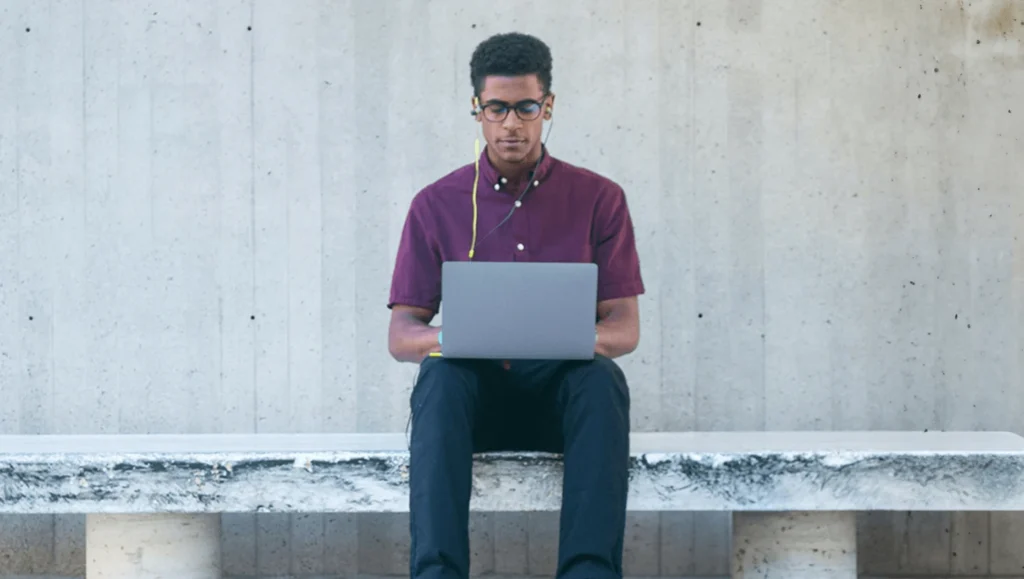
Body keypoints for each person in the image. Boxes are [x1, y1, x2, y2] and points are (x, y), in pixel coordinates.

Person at [386, 31, 645, 579]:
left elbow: (624, 329)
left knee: (601, 380)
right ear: (476, 110)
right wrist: (465, 337)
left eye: (526, 108)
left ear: (547, 107)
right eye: (497, 108)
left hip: (563, 407)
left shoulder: (600, 199)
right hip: (473, 409)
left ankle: (589, 573)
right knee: (438, 380)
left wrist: (560, 338)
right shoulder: (435, 205)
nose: (511, 124)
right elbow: (402, 335)